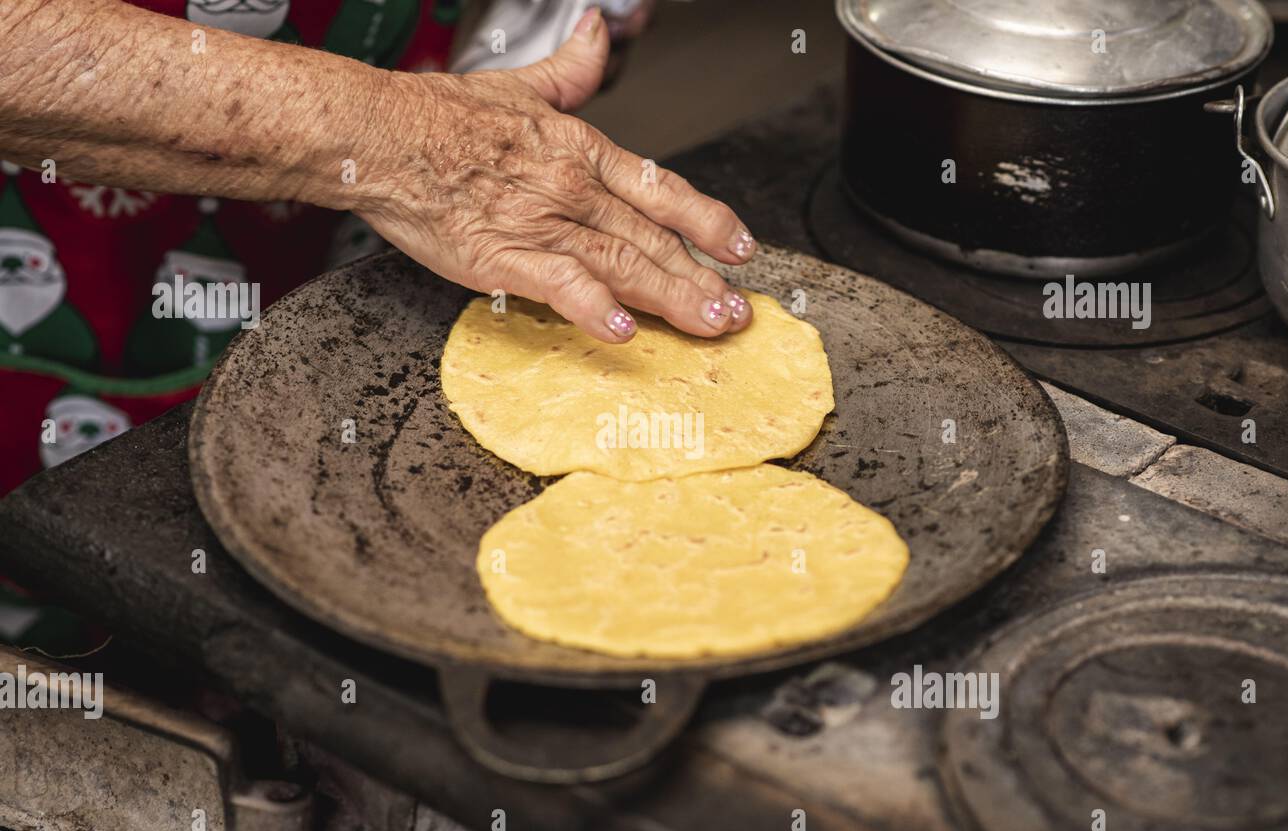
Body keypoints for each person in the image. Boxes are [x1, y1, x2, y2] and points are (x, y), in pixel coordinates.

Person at [0, 0, 756, 652]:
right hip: (73, 265)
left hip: (394, 210)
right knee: (109, 638)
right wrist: (402, 137)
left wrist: (535, 39)